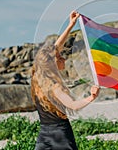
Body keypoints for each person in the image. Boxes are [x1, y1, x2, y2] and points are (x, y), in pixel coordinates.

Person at [31, 11, 100, 150]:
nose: (64, 58)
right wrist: (91, 97)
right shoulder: (55, 87)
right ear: (52, 64)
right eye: (60, 57)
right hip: (61, 136)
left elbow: (55, 48)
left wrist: (70, 25)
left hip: (44, 135)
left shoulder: (37, 79)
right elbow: (73, 105)